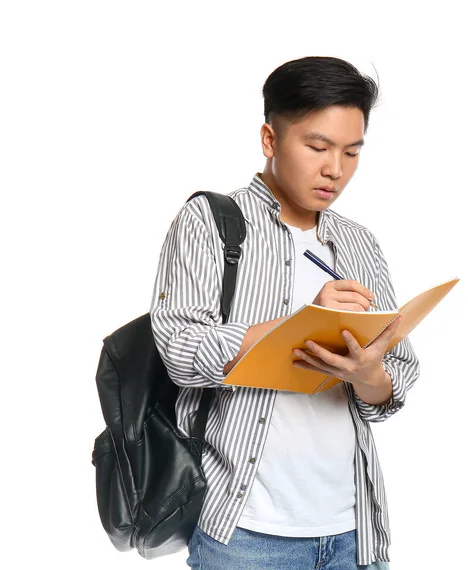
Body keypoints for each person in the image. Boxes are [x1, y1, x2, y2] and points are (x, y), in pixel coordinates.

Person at [149, 56, 420, 570]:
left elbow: (393, 385)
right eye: (317, 147)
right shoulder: (209, 222)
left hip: (354, 533)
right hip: (246, 535)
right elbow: (180, 352)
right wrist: (300, 323)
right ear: (270, 140)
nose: (334, 169)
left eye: (352, 152)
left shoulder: (360, 243)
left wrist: (368, 374)